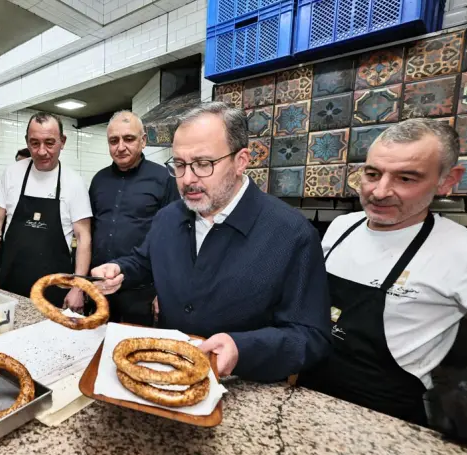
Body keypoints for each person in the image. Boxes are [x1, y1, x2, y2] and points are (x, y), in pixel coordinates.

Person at [92, 102, 330, 382]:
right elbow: (144, 260)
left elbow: (311, 337)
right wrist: (120, 269)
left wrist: (242, 349)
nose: (188, 179)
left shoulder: (292, 234)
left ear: (241, 160)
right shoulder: (167, 218)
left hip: (242, 385)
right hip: (166, 373)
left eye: (203, 164)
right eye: (179, 165)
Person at [299, 119, 467, 427]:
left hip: (388, 421)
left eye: (406, 178)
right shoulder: (342, 227)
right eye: (372, 174)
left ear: (447, 181)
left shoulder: (464, 251)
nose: (379, 192)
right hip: (310, 397)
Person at [0, 112, 92, 310]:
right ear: (27, 141)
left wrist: (78, 287)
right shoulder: (12, 173)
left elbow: (83, 237)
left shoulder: (74, 182)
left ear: (62, 141)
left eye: (50, 143)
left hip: (55, 290)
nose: (42, 151)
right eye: (34, 143)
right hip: (9, 284)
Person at [89, 111, 178, 325]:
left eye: (128, 139)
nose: (120, 147)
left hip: (142, 292)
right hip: (100, 288)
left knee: (135, 352)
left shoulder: (164, 179)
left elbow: (174, 240)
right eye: (114, 141)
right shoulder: (99, 180)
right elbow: (89, 232)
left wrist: (165, 291)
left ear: (143, 140)